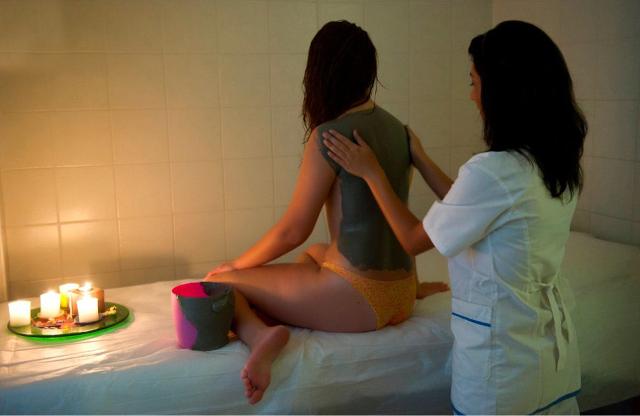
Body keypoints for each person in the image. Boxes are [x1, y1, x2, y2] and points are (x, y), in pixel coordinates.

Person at [322, 20, 586, 415]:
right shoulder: (551, 165)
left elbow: (414, 239)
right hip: (546, 359)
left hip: (502, 373)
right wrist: (421, 158)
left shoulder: (493, 171)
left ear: (503, 91)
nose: (471, 95)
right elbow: (471, 207)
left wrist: (373, 173)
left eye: (474, 82)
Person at [204, 20, 448, 405]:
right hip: (402, 292)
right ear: (369, 73)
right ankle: (310, 298)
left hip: (359, 298)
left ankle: (261, 336)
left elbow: (293, 230)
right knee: (316, 254)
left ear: (319, 74)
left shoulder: (330, 135)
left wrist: (235, 266)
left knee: (223, 286)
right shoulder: (400, 130)